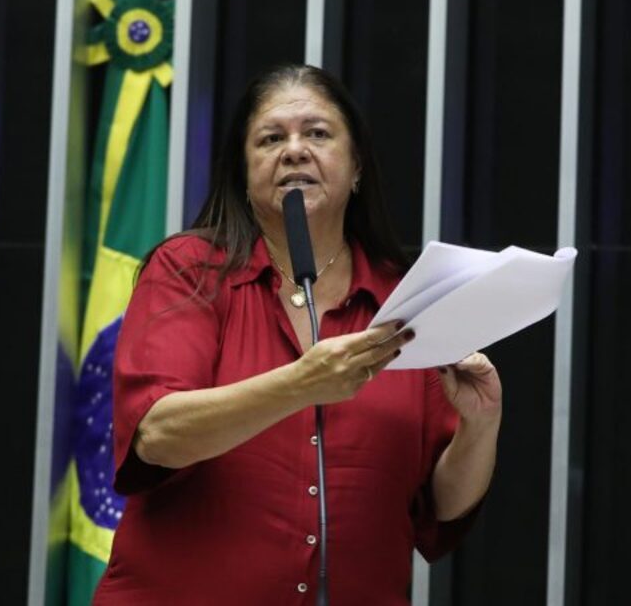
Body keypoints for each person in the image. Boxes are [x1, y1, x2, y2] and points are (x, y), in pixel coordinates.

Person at [92, 64, 502, 605]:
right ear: (244, 172)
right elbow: (158, 435)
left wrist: (480, 423)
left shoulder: (403, 301)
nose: (294, 150)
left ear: (356, 168)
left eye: (317, 133)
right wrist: (300, 384)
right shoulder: (191, 270)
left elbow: (440, 508)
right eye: (270, 138)